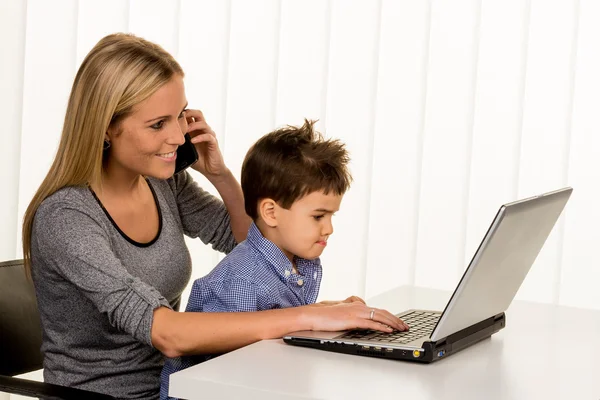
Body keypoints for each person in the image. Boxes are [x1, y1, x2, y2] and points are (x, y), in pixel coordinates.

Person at [22, 33, 407, 399]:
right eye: (158, 124)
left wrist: (220, 175)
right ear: (106, 127)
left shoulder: (162, 184)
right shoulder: (67, 218)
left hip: (186, 383)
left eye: (180, 116)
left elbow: (252, 247)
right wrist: (308, 317)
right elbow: (168, 333)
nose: (177, 137)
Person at [160, 120, 395, 399]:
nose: (329, 228)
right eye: (318, 216)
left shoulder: (294, 263)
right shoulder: (242, 282)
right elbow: (224, 376)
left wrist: (325, 316)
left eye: (332, 216)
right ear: (271, 213)